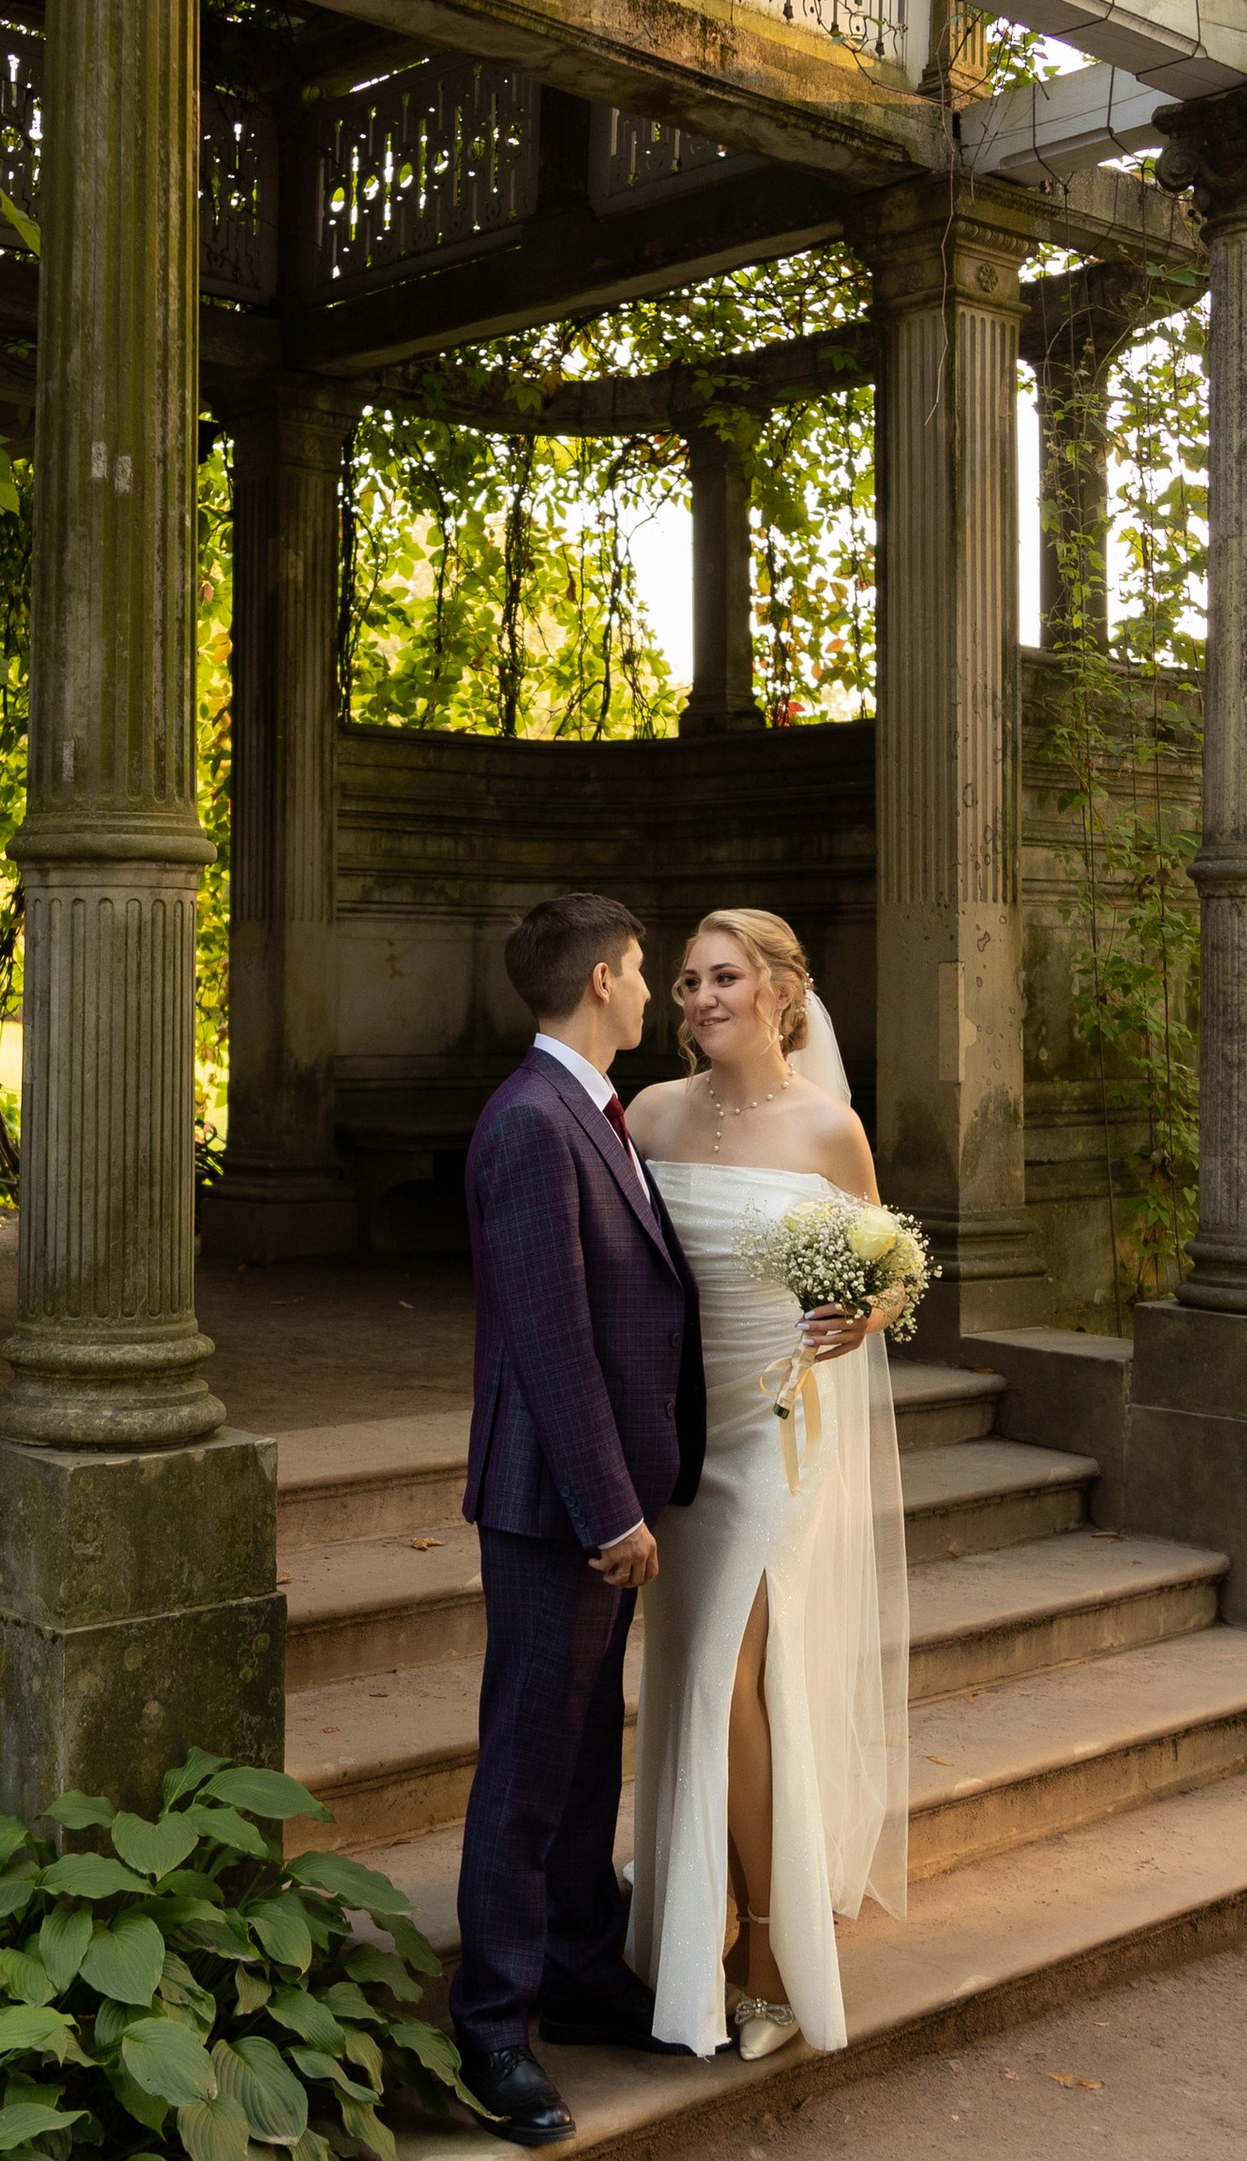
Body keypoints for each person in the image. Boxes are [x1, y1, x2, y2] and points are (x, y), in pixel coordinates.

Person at [622, 907, 911, 2063]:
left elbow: (886, 1263)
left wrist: (868, 1314)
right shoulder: (647, 1115)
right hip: (673, 1440)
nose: (698, 998)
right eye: (686, 980)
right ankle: (694, 1912)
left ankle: (764, 1960)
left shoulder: (826, 1128)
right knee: (689, 1678)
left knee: (719, 1673)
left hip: (778, 1435)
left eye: (723, 977)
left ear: (782, 993)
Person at [450, 894, 707, 2144]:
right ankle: (493, 2028)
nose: (655, 992)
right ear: (602, 979)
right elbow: (550, 1342)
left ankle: (582, 1969)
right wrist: (611, 1511)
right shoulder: (529, 1123)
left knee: (584, 1746)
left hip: (596, 1497)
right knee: (526, 1763)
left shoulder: (587, 1112)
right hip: (553, 1507)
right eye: (647, 971)